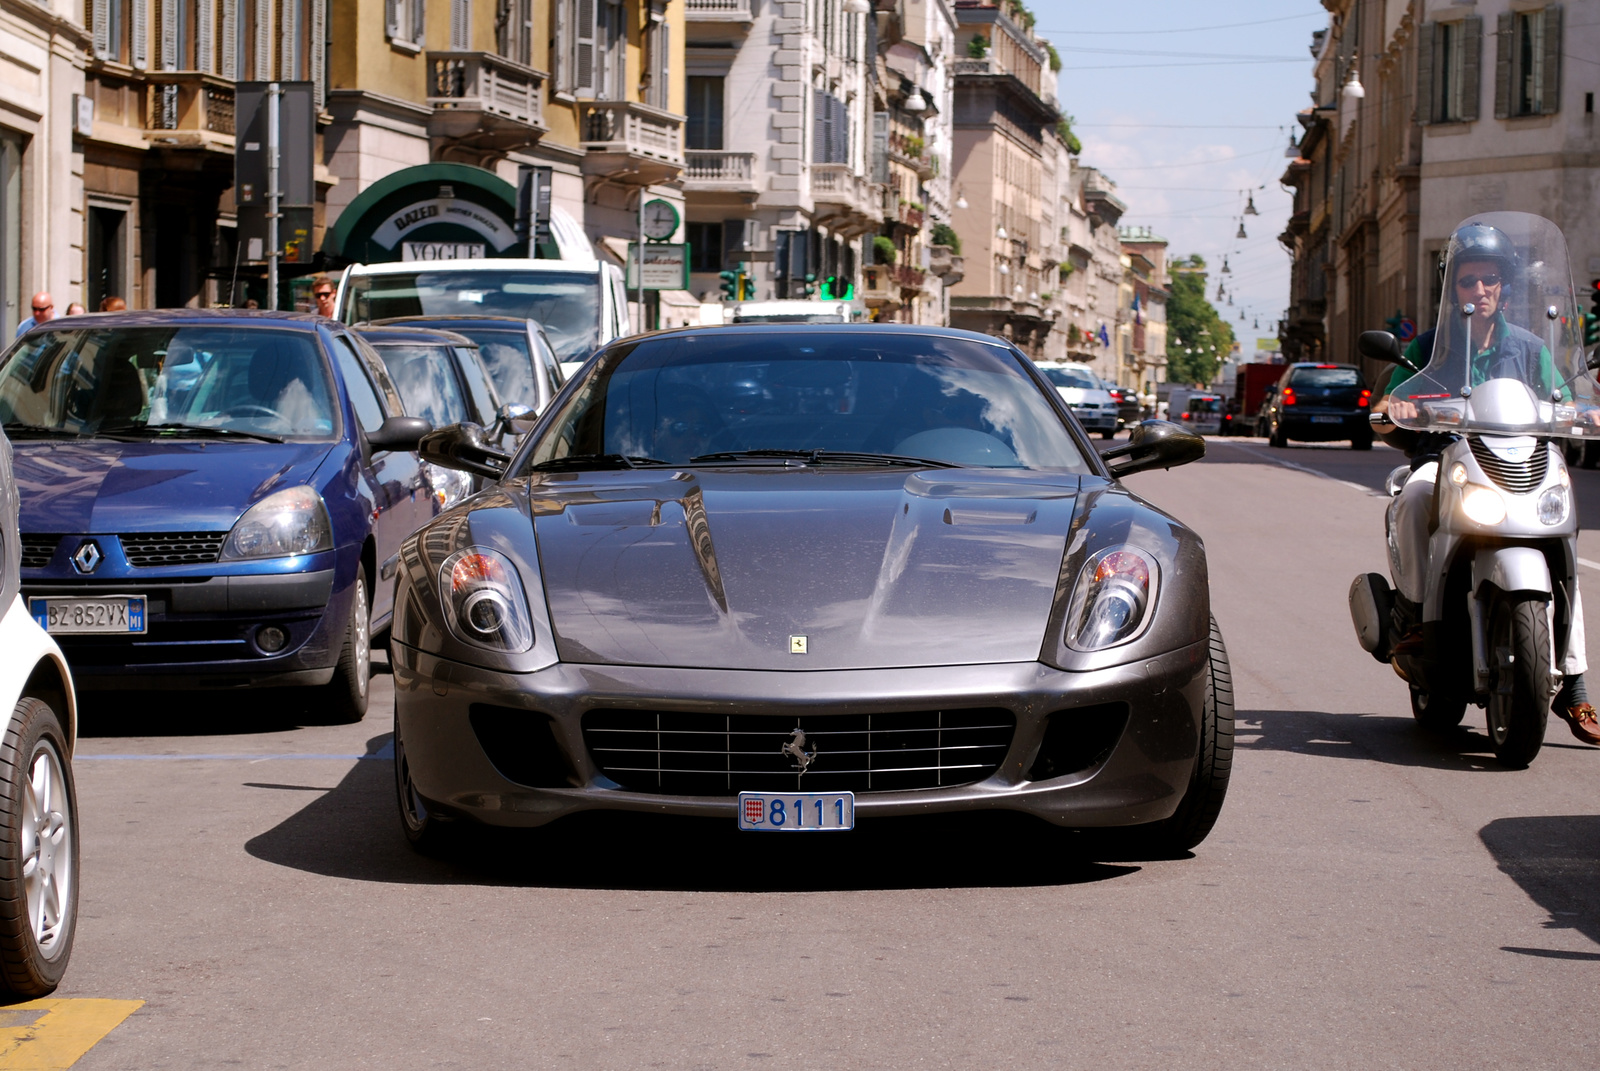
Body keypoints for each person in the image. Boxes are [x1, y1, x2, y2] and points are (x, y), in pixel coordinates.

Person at [1375, 222, 1600, 745]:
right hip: (1450, 460)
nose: (1479, 290)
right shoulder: (1431, 346)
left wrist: (1581, 412)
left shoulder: (1530, 347)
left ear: (1504, 286)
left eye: (1490, 280)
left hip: (1521, 463)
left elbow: (1566, 396)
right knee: (1413, 495)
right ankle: (1412, 612)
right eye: (1468, 281)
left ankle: (1577, 690)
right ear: (1452, 289)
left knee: (1560, 544)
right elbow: (1387, 402)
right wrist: (1393, 411)